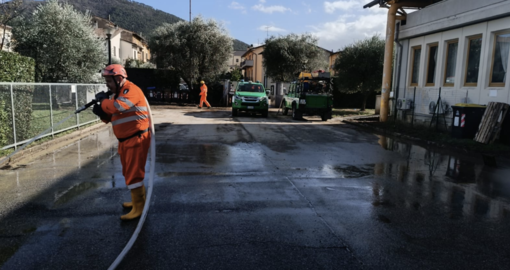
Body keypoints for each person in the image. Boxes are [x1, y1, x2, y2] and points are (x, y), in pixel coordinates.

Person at [92, 64, 151, 221]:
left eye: (109, 81)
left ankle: (139, 207)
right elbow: (116, 116)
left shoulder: (131, 90)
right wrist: (102, 113)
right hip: (126, 140)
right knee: (128, 172)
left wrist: (104, 102)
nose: (107, 85)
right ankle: (137, 201)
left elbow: (118, 107)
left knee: (134, 173)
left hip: (136, 139)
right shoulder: (118, 94)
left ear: (118, 79)